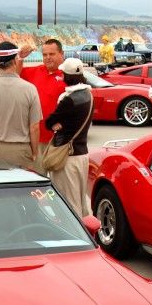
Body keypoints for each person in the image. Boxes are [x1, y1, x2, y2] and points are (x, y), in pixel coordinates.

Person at [0, 42, 42, 170]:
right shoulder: (30, 89)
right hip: (21, 151)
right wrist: (34, 153)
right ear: (15, 60)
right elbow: (34, 127)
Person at [44, 58, 94, 217]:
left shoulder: (68, 99)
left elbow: (49, 122)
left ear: (67, 75)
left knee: (69, 203)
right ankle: (87, 233)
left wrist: (55, 124)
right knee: (80, 201)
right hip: (82, 153)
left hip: (67, 156)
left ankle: (77, 238)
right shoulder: (88, 94)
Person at [17, 38, 67, 145]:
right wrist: (20, 57)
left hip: (57, 140)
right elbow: (15, 75)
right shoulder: (36, 71)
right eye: (45, 55)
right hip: (35, 138)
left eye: (52, 54)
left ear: (61, 54)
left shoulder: (69, 75)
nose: (48, 58)